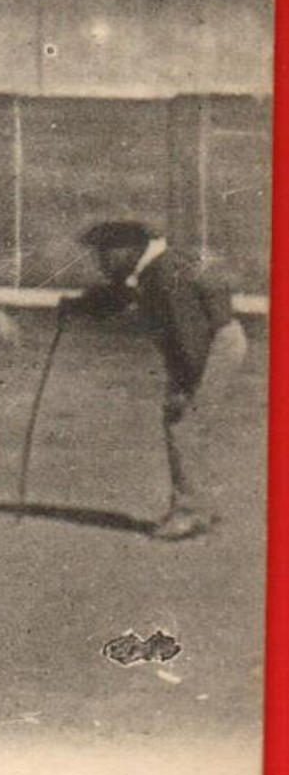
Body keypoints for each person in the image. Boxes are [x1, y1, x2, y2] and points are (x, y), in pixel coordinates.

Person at [61, 221, 247, 541]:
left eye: (105, 254)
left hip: (212, 347)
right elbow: (122, 297)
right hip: (215, 341)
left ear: (128, 251)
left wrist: (188, 384)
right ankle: (201, 506)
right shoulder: (156, 268)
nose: (101, 263)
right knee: (183, 422)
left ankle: (189, 513)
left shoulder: (164, 275)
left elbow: (189, 334)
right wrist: (78, 306)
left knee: (183, 422)